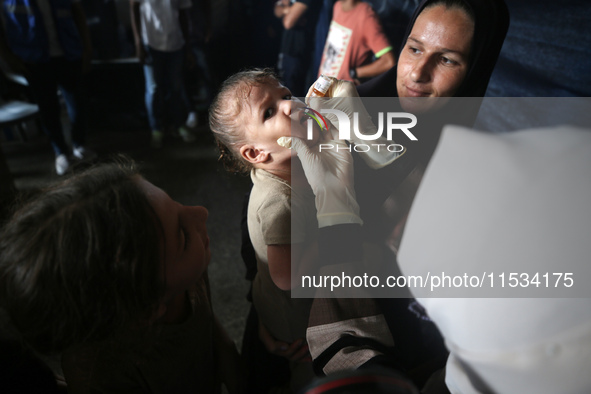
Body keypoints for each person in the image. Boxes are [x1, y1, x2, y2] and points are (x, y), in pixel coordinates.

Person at [300, 0, 509, 389]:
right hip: (332, 331)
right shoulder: (345, 111)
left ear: (477, 68)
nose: (417, 73)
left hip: (418, 343)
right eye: (414, 48)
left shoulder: (476, 160)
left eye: (447, 60)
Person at [0, 158, 243, 393]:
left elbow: (204, 315)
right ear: (147, 309)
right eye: (182, 234)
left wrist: (226, 352)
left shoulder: (184, 274)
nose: (201, 212)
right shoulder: (101, 376)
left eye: (176, 203)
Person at [209, 69, 320, 392]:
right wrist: (330, 229)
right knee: (313, 372)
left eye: (286, 95)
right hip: (297, 322)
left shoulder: (293, 164)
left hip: (274, 301)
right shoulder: (278, 205)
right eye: (269, 112)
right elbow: (286, 277)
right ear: (256, 153)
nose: (289, 105)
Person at [0, 0, 93, 175]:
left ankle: (79, 144)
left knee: (78, 103)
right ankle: (60, 152)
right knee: (48, 108)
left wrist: (86, 49)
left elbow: (78, 12)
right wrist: (9, 57)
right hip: (34, 60)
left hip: (68, 54)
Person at [130, 0, 196, 148]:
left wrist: (188, 46)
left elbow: (184, 14)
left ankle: (178, 125)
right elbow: (133, 8)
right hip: (150, 43)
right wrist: (138, 42)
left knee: (176, 87)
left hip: (175, 43)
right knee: (153, 89)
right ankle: (156, 130)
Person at [317, 0, 395, 85]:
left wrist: (354, 73)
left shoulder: (365, 15)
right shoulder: (337, 6)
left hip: (341, 93)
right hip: (322, 87)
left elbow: (388, 61)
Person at [274, 0, 321, 97]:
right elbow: (277, 10)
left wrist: (287, 11)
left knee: (293, 94)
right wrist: (289, 11)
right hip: (288, 50)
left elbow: (288, 22)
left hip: (299, 52)